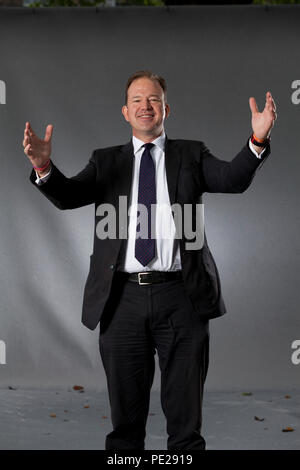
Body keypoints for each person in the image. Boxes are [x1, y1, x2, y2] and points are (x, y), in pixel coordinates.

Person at [23, 70, 277, 450]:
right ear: (125, 112)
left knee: (185, 423)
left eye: (154, 99)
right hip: (121, 299)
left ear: (166, 109)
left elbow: (232, 178)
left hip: (182, 298)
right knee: (125, 424)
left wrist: (258, 139)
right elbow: (69, 195)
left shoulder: (191, 154)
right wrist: (44, 166)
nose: (146, 106)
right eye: (138, 100)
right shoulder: (105, 161)